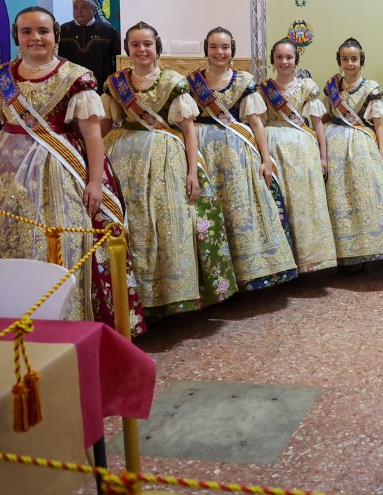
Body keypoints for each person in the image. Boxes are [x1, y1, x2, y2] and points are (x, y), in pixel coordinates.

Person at [0, 6, 144, 335]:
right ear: (16, 37)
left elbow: (93, 135)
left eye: (43, 31)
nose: (36, 38)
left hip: (57, 171)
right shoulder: (2, 77)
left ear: (56, 36)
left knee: (51, 241)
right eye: (27, 32)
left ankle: (54, 321)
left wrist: (95, 182)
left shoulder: (76, 78)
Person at [103, 22, 238, 318]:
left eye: (147, 44)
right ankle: (134, 296)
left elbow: (188, 130)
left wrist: (192, 172)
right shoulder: (116, 83)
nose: (142, 50)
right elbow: (103, 126)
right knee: (133, 224)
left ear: (157, 47)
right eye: (136, 44)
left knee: (167, 222)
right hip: (123, 157)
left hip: (165, 159)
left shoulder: (173, 82)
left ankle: (173, 295)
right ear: (128, 48)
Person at [187, 27, 298, 290]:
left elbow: (256, 123)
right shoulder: (191, 83)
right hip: (203, 152)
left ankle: (248, 273)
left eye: (224, 47)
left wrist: (266, 158)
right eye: (214, 47)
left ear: (232, 50)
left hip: (237, 154)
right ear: (206, 50)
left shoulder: (244, 82)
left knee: (240, 209)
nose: (219, 52)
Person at [321, 37, 383, 265]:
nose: (350, 64)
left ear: (361, 61)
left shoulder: (371, 88)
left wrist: (382, 152)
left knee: (369, 192)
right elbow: (327, 114)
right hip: (334, 140)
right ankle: (344, 254)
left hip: (362, 143)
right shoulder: (332, 87)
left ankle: (369, 250)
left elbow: (377, 123)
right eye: (345, 59)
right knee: (340, 197)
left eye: (354, 59)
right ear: (339, 61)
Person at [258, 38, 337, 274]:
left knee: (303, 202)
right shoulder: (263, 89)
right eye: (280, 57)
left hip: (302, 147)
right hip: (273, 147)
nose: (284, 61)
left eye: (289, 57)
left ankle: (307, 260)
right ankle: (282, 261)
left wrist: (323, 157)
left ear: (296, 60)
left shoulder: (307, 88)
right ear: (273, 59)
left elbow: (318, 125)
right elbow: (258, 124)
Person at [59, 0, 119, 84]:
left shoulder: (107, 30)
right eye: (75, 8)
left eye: (84, 7)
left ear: (94, 11)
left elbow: (118, 57)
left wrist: (113, 81)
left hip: (101, 85)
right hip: (70, 85)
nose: (79, 11)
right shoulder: (63, 30)